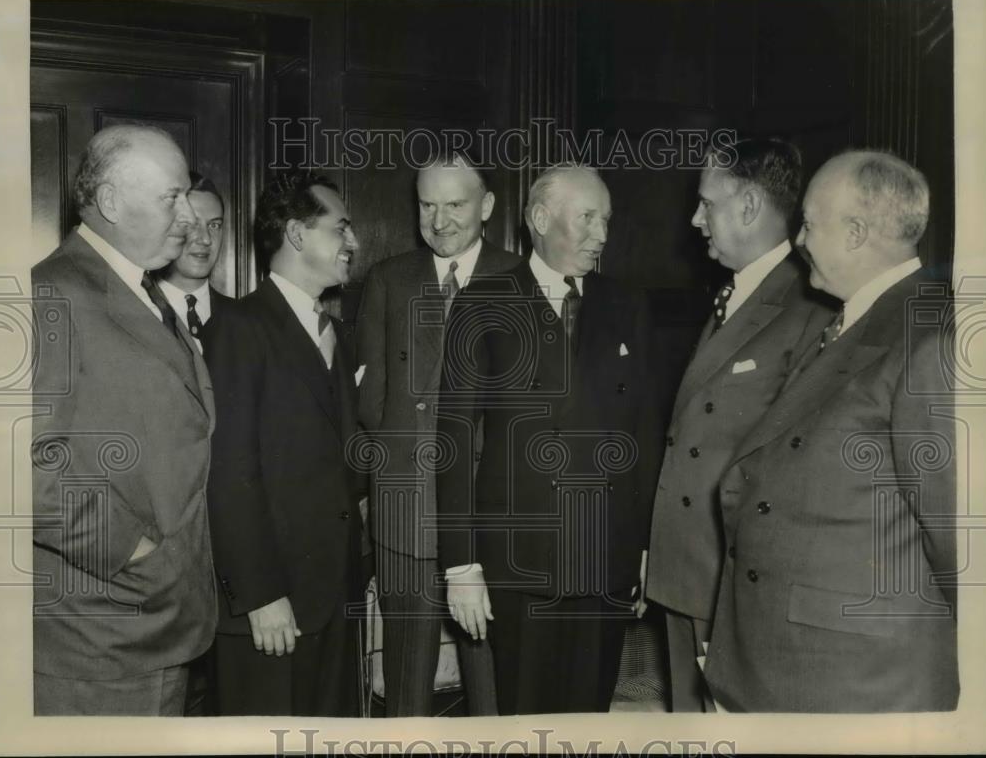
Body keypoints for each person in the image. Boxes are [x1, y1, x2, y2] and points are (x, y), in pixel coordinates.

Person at [703, 150, 958, 712]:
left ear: (857, 233)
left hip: (856, 680)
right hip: (790, 662)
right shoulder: (850, 320)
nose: (798, 240)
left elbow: (961, 545)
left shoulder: (930, 338)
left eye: (811, 225)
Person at [435, 164, 662, 714]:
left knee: (590, 716)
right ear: (540, 218)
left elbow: (646, 434)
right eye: (587, 218)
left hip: (605, 558)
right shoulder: (484, 302)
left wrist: (647, 549)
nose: (601, 235)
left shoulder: (627, 305)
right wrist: (461, 566)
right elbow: (455, 441)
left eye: (606, 220)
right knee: (524, 718)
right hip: (519, 564)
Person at [641, 138, 833, 711]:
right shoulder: (734, 292)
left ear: (748, 206)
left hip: (735, 579)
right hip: (690, 566)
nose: (695, 219)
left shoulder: (810, 306)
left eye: (707, 204)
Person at [31, 124, 216, 715]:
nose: (189, 215)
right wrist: (133, 550)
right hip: (102, 638)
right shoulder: (49, 295)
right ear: (111, 202)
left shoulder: (140, 289)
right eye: (172, 197)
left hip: (151, 623)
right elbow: (17, 469)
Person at [356, 153, 515, 716]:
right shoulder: (388, 279)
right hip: (406, 515)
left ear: (488, 207)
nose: (440, 220)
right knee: (406, 691)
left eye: (455, 204)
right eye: (428, 205)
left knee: (492, 690)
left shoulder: (520, 279)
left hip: (489, 519)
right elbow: (371, 404)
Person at [204, 171, 363, 716]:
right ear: (297, 234)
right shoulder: (237, 328)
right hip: (270, 610)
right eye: (341, 227)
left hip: (331, 600)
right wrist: (260, 594)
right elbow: (227, 472)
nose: (353, 242)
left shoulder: (336, 332)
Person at [158, 172, 233, 350]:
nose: (206, 239)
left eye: (214, 225)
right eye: (192, 224)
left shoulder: (247, 320)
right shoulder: (137, 310)